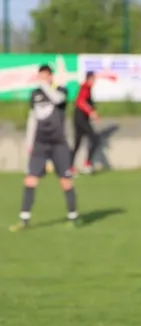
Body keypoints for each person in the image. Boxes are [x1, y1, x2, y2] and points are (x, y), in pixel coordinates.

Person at [9, 65, 80, 232]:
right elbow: (33, 119)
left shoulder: (60, 90)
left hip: (58, 143)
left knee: (65, 181)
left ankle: (73, 216)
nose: (41, 79)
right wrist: (29, 143)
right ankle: (24, 219)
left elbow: (57, 100)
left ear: (50, 76)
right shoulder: (35, 94)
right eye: (40, 76)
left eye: (45, 76)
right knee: (30, 179)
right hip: (40, 143)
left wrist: (46, 86)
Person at [71, 71, 100, 175]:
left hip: (79, 118)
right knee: (94, 139)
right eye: (93, 79)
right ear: (89, 79)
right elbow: (80, 101)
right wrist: (91, 112)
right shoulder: (85, 88)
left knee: (77, 143)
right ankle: (87, 164)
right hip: (80, 118)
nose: (94, 81)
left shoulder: (87, 88)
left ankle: (70, 166)